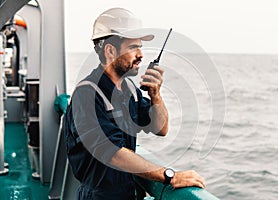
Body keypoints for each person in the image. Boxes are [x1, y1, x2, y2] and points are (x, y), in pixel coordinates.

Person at [63, 7, 206, 200]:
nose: (140, 54)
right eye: (132, 48)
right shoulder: (86, 94)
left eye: (140, 47)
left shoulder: (129, 89)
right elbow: (112, 154)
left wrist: (155, 94)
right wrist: (169, 176)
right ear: (110, 50)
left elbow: (160, 128)